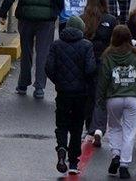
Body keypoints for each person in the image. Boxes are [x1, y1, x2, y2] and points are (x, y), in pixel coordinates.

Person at [0, 0, 64, 99]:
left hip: (26, 17)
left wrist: (3, 12)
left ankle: (23, 84)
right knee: (43, 52)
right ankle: (39, 87)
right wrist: (57, 11)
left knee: (26, 50)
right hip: (46, 20)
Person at [46, 16, 97, 175]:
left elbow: (49, 68)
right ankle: (73, 162)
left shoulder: (56, 45)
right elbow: (90, 69)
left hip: (63, 93)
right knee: (76, 127)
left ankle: (61, 150)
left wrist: (59, 82)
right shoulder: (87, 45)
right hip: (80, 94)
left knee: (61, 125)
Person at [97, 24, 136, 179]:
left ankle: (115, 154)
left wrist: (101, 97)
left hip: (114, 97)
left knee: (115, 127)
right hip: (132, 97)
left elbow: (104, 79)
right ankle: (125, 164)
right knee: (130, 131)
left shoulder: (108, 55)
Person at [81, 0, 117, 146]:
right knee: (101, 97)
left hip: (86, 62)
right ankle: (98, 128)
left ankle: (88, 128)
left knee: (88, 96)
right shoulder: (110, 19)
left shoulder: (82, 19)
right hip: (104, 62)